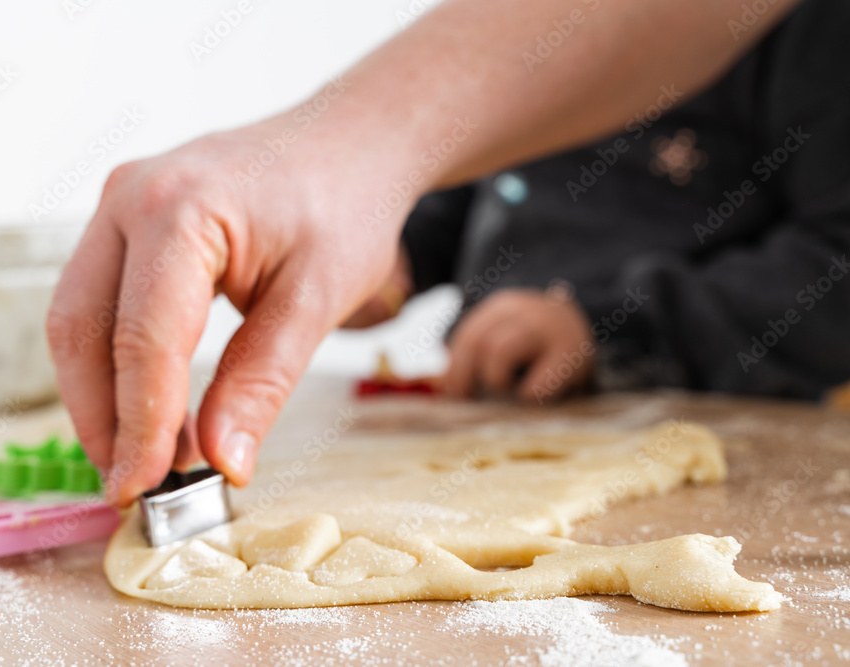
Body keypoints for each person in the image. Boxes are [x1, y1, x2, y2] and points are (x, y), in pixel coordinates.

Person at [46, 0, 845, 508]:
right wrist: (393, 257)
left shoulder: (807, 35)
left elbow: (834, 267)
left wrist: (603, 331)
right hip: (488, 434)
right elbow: (473, 185)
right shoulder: (523, 36)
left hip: (718, 460)